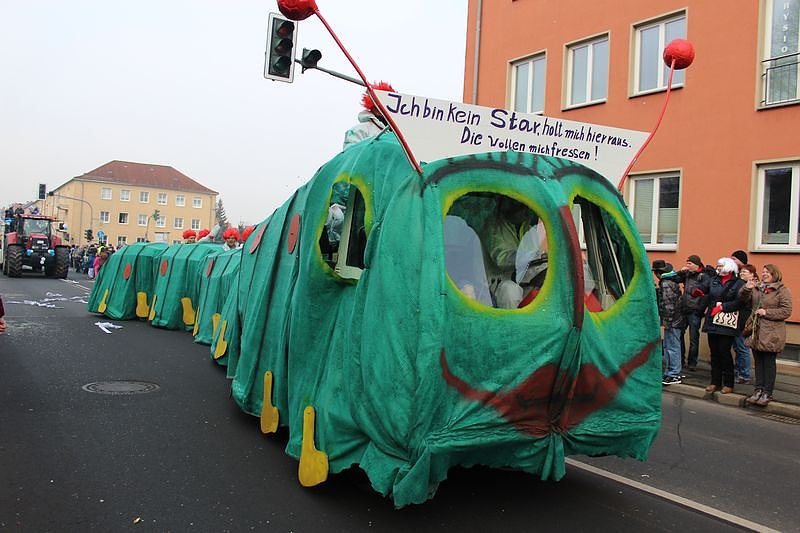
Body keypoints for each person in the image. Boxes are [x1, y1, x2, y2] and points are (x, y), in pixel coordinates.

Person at [479, 197, 546, 309]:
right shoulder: (492, 228)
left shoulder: (529, 230)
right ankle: (511, 326)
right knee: (510, 292)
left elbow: (535, 261)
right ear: (508, 205)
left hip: (525, 281)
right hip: (497, 283)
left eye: (527, 206)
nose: (526, 210)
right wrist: (532, 256)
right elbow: (502, 260)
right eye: (521, 206)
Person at [742, 264, 793, 406]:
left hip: (772, 332)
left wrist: (767, 312)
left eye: (767, 272)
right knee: (758, 363)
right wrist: (747, 288)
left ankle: (767, 392)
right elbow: (743, 299)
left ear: (774, 274)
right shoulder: (758, 289)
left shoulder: (782, 291)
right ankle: (758, 390)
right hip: (756, 331)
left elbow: (786, 311)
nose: (764, 274)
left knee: (768, 363)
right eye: (763, 272)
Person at [701, 257, 749, 394]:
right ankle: (715, 381)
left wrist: (723, 307)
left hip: (727, 322)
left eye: (721, 266)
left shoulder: (738, 283)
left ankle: (728, 383)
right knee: (714, 353)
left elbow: (740, 302)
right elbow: (707, 293)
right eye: (718, 266)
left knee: (724, 352)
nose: (719, 268)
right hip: (713, 320)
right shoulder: (714, 280)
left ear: (729, 267)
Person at [653, 260, 685, 385]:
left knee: (671, 347)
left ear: (658, 273)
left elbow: (668, 304)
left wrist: (666, 321)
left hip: (672, 320)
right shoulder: (672, 281)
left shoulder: (666, 283)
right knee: (671, 346)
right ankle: (672, 372)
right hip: (676, 319)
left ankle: (673, 373)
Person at [343, 81, 394, 148]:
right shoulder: (359, 130)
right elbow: (352, 155)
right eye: (383, 104)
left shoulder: (402, 133)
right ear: (374, 108)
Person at [678, 254, 707, 371]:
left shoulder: (703, 276)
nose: (687, 265)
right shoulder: (686, 274)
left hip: (695, 311)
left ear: (696, 264)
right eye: (687, 263)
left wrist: (700, 309)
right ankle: (680, 359)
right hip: (684, 309)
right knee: (679, 335)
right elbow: (675, 278)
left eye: (689, 263)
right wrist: (680, 272)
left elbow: (706, 293)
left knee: (694, 338)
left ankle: (692, 362)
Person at [730, 250, 752, 383]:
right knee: (737, 347)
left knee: (742, 347)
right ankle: (738, 370)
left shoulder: (747, 279)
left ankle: (744, 374)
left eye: (734, 259)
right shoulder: (736, 276)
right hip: (735, 319)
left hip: (743, 319)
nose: (732, 261)